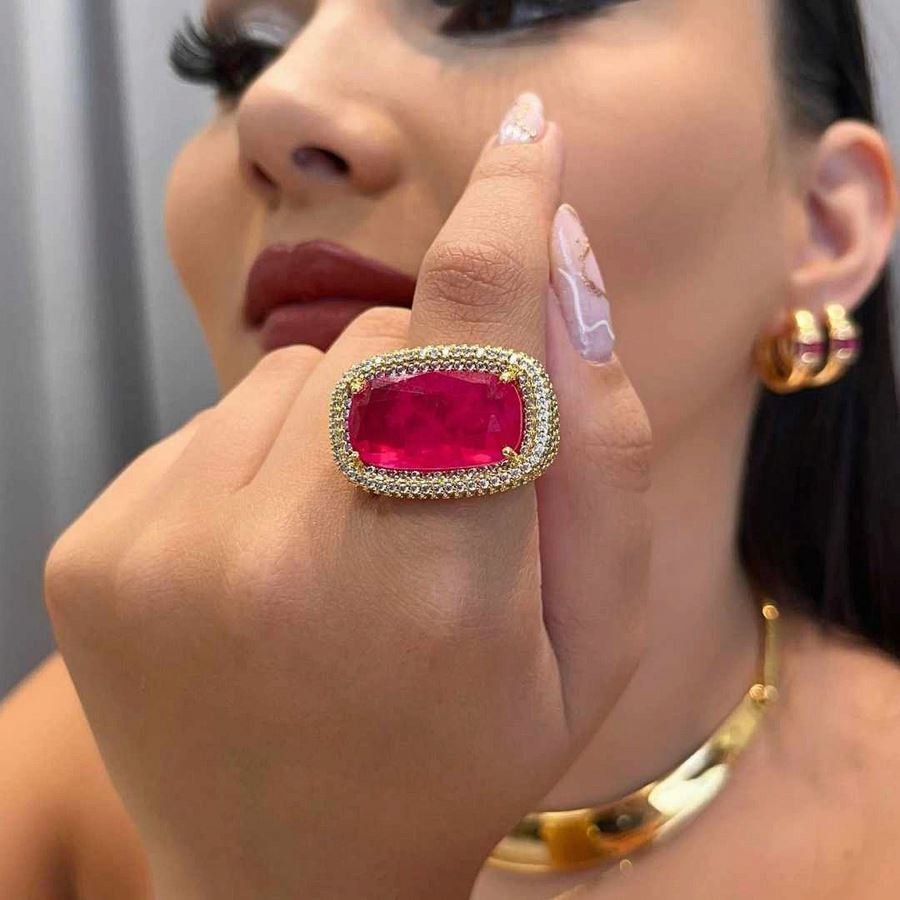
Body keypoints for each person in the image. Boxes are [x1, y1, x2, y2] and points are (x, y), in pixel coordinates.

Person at [2, 0, 899, 897]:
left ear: (826, 222)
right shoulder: (81, 756)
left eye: (501, 9)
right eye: (239, 61)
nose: (276, 105)